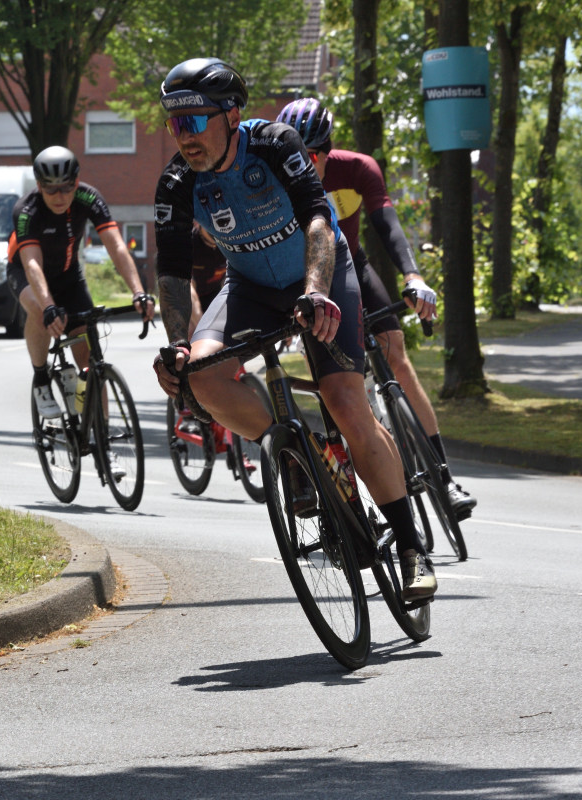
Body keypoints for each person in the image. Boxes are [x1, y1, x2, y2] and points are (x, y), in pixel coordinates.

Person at [151, 58, 435, 600]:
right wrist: (177, 345)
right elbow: (172, 270)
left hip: (322, 275)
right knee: (202, 377)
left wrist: (316, 290)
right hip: (250, 287)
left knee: (346, 404)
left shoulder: (275, 144)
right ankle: (294, 454)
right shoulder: (177, 182)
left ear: (231, 116)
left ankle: (409, 545)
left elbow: (318, 219)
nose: (183, 136)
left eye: (193, 121)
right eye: (174, 123)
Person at [276, 97, 476, 519]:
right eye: (295, 154)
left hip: (352, 267)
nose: (303, 164)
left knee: (395, 354)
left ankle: (444, 478)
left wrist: (413, 276)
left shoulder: (357, 168)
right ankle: (353, 499)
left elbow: (386, 223)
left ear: (327, 151)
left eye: (311, 156)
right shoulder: (277, 177)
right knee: (334, 387)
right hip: (307, 280)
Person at [8, 145, 154, 427]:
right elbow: (32, 264)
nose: (60, 196)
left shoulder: (89, 197)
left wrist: (138, 292)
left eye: (67, 187)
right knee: (39, 310)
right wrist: (49, 306)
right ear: (39, 186)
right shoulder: (26, 210)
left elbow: (116, 246)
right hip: (26, 273)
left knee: (90, 359)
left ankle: (102, 435)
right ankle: (41, 378)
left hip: (68, 275)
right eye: (51, 189)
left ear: (76, 181)